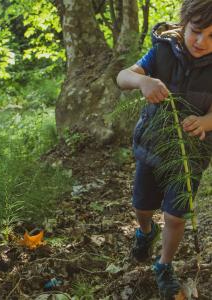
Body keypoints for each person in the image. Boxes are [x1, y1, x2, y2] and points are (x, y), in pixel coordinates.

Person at [116, 0, 212, 298]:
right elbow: (122, 76)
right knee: (142, 206)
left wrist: (206, 121)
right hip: (153, 146)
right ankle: (145, 231)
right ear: (184, 23)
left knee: (175, 214)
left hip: (190, 155)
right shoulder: (162, 49)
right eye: (197, 31)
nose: (201, 42)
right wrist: (143, 81)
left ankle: (164, 264)